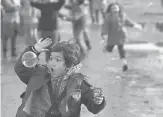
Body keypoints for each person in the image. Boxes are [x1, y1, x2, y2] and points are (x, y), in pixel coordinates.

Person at [14, 38, 106, 117]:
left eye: (58, 60)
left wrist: (98, 101)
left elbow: (94, 107)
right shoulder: (39, 74)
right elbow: (21, 69)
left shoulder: (78, 83)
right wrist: (34, 50)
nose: (52, 63)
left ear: (68, 66)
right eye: (51, 58)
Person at [101, 3, 142, 71]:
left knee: (121, 50)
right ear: (110, 10)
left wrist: (136, 26)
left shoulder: (122, 16)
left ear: (119, 8)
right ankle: (106, 50)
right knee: (109, 49)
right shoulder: (108, 18)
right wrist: (104, 35)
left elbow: (128, 22)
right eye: (113, 8)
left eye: (116, 8)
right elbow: (105, 26)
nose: (115, 9)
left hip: (121, 36)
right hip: (112, 37)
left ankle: (124, 64)